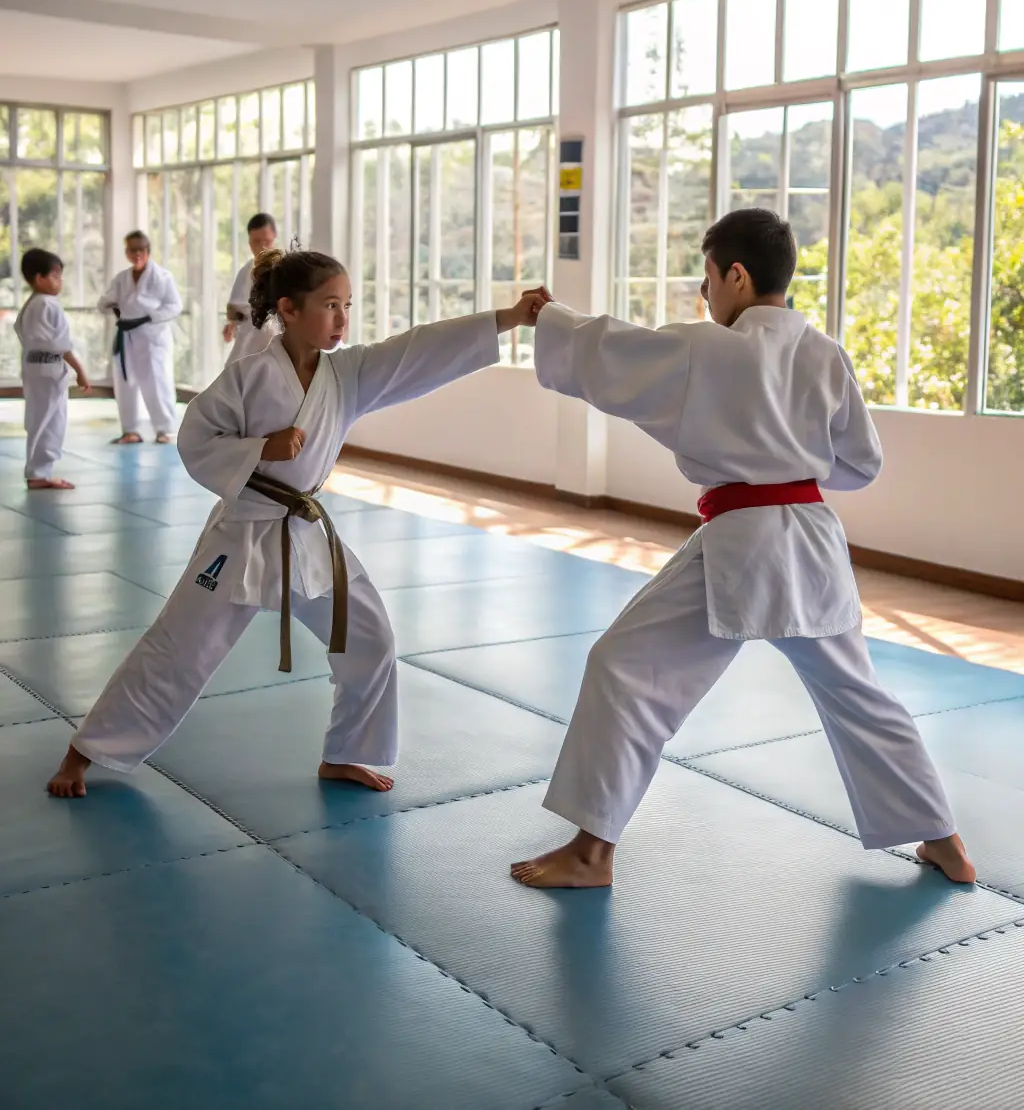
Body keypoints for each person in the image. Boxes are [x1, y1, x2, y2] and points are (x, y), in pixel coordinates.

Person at [511, 208, 974, 890]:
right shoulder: (826, 353)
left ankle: (589, 852)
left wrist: (551, 321)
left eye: (708, 278)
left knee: (624, 668)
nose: (706, 295)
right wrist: (795, 458)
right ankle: (947, 841)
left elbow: (616, 350)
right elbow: (861, 464)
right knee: (859, 695)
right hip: (814, 542)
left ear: (736, 274)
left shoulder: (710, 348)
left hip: (743, 545)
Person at [46, 248, 550, 798]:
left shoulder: (349, 374)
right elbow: (195, 438)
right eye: (330, 305)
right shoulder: (249, 376)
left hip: (306, 533)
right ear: (288, 309)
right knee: (178, 649)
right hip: (243, 535)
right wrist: (265, 446)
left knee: (369, 635)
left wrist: (508, 318)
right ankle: (85, 752)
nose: (342, 318)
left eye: (347, 305)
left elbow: (417, 351)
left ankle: (348, 753)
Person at [14, 248, 91, 490]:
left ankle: (38, 470)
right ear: (39, 278)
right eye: (55, 276)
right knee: (51, 419)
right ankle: (40, 472)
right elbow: (60, 345)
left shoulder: (30, 305)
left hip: (33, 367)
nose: (60, 282)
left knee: (38, 418)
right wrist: (80, 369)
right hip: (48, 368)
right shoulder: (48, 304)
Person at [98, 231, 182, 445]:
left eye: (141, 249)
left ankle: (165, 429)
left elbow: (175, 306)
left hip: (153, 338)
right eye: (132, 250)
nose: (137, 254)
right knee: (126, 384)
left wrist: (149, 316)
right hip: (127, 336)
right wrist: (114, 308)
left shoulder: (163, 277)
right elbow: (104, 302)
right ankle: (130, 430)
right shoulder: (121, 279)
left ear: (148, 251)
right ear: (127, 252)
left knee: (157, 382)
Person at [223, 212, 280, 364]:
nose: (262, 247)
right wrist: (232, 324)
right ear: (249, 242)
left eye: (267, 242)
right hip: (248, 341)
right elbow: (234, 308)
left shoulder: (285, 270)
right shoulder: (246, 271)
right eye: (256, 242)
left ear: (274, 239)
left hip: (276, 340)